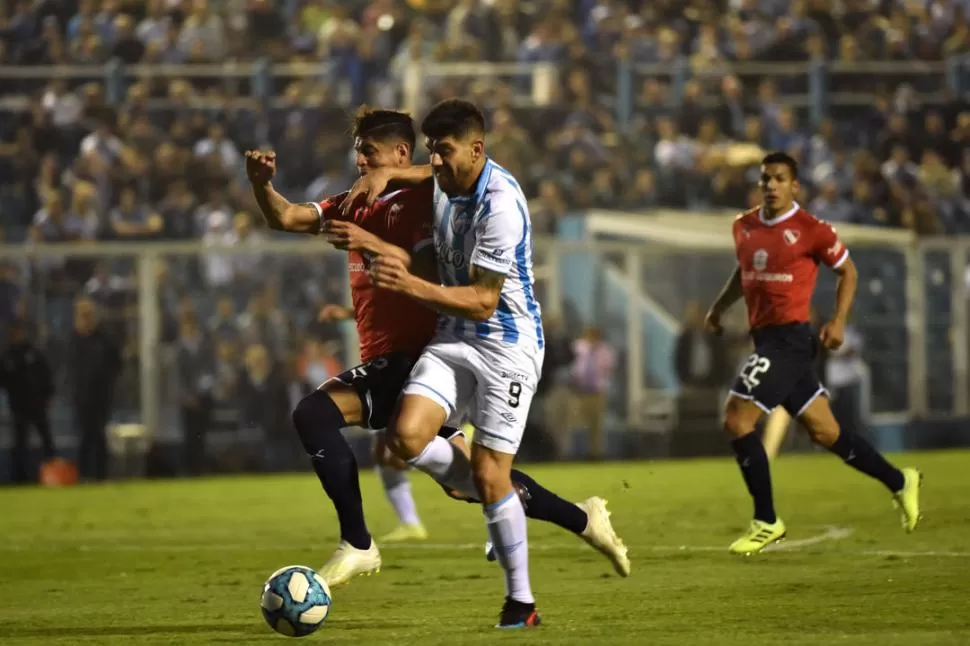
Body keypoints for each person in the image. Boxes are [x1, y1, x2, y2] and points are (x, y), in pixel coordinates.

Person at [245, 107, 629, 593]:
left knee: (313, 415)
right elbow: (286, 216)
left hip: (422, 353)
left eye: (370, 153)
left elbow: (426, 271)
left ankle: (359, 544)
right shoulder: (355, 200)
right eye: (358, 153)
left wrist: (372, 239)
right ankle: (583, 519)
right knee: (475, 480)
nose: (361, 162)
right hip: (393, 355)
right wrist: (261, 184)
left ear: (400, 154)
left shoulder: (430, 197)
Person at [345, 99, 559, 628]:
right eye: (432, 152)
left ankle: (521, 603)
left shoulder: (501, 204)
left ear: (478, 150)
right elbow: (423, 174)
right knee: (405, 436)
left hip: (508, 345)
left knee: (489, 474)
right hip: (454, 337)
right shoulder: (442, 175)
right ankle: (503, 502)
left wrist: (411, 283)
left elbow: (485, 300)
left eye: (445, 151)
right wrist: (392, 172)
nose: (436, 163)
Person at [704, 151, 922, 555]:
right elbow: (745, 272)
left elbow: (848, 271)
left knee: (737, 419)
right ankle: (900, 481)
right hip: (764, 339)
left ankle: (766, 520)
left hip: (788, 341)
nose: (771, 185)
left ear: (794, 186)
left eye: (779, 179)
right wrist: (720, 307)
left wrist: (838, 320)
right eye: (766, 179)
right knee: (826, 432)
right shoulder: (744, 226)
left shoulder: (812, 230)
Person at [0, 320, 56, 483]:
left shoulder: (33, 353)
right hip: (18, 406)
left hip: (37, 404)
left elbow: (46, 375)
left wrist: (48, 396)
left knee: (47, 441)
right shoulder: (7, 357)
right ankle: (19, 478)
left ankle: (53, 474)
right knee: (20, 443)